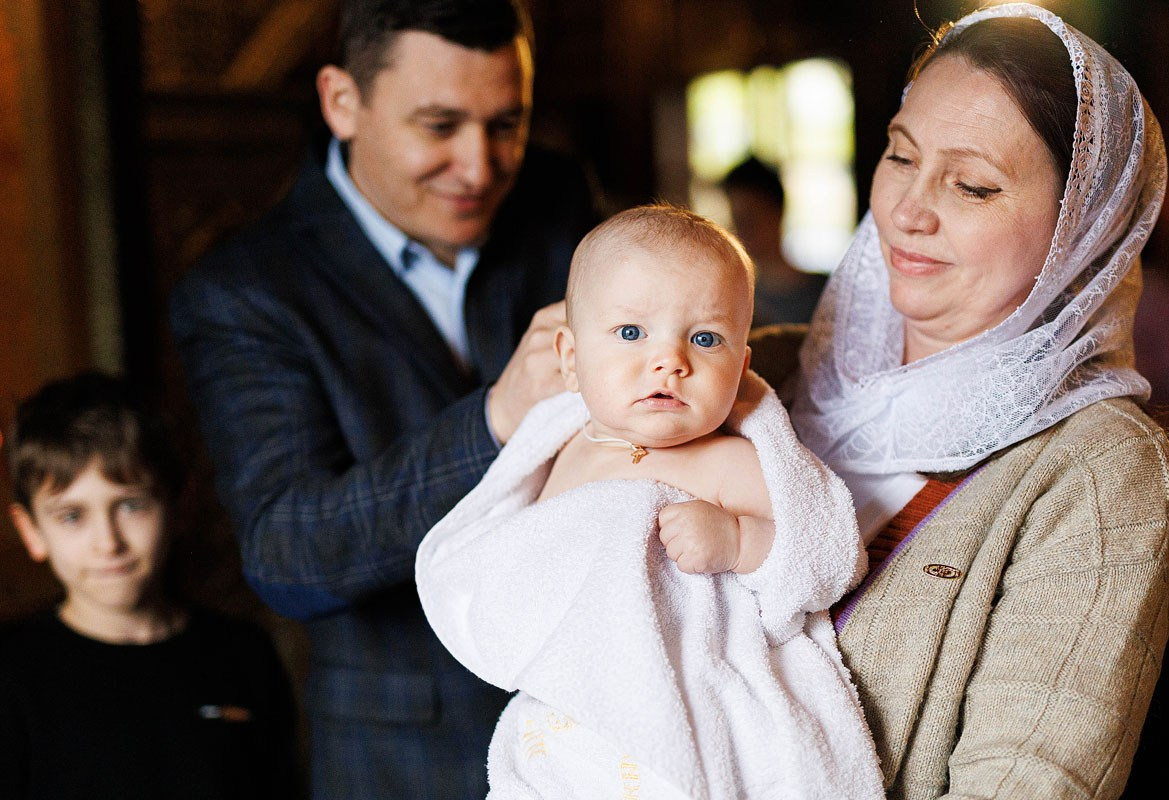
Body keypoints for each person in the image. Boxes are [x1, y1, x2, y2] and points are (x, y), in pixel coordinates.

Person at [167, 0, 597, 797]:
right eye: (439, 126)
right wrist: (495, 421)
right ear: (342, 101)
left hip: (606, 721)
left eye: (506, 124)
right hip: (409, 757)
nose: (479, 167)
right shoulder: (244, 291)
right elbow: (288, 552)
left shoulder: (558, 198)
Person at [780, 4, 1169, 798]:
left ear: (1080, 227)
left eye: (972, 185)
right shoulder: (759, 370)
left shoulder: (1097, 470)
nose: (908, 210)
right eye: (901, 155)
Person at [416, 205, 885, 798]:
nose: (670, 361)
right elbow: (515, 563)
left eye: (705, 338)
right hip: (569, 718)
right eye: (632, 333)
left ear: (740, 367)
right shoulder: (560, 448)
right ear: (570, 359)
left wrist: (739, 540)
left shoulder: (731, 461)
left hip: (684, 708)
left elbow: (825, 557)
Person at [0, 372, 302, 800]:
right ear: (31, 531)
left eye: (131, 505)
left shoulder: (244, 654)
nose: (108, 543)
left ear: (181, 505)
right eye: (72, 516)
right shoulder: (11, 674)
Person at [720, 156, 827, 325]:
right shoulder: (735, 300)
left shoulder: (826, 294)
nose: (739, 232)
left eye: (749, 220)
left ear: (777, 212)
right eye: (736, 221)